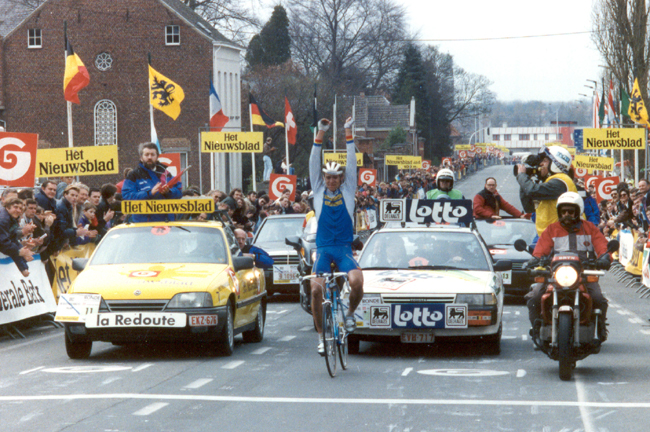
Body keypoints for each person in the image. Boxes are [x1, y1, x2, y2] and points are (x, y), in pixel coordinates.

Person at [309, 116, 364, 356]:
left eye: (335, 177)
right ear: (324, 179)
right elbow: (313, 161)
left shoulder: (348, 189)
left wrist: (348, 131)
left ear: (341, 178)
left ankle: (350, 315)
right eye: (328, 177)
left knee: (357, 282)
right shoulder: (319, 190)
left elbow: (351, 163)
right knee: (314, 290)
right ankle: (321, 336)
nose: (332, 181)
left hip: (343, 250)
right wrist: (320, 133)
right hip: (323, 250)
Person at [526, 192, 610, 341]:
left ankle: (601, 327)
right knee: (535, 297)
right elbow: (540, 250)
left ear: (578, 211)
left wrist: (605, 258)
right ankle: (537, 328)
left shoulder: (590, 228)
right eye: (563, 211)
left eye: (570, 211)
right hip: (555, 274)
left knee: (598, 298)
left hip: (583, 274)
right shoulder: (551, 229)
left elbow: (602, 246)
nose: (567, 214)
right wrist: (533, 260)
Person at [517, 146, 576, 237]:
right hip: (549, 235)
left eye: (544, 160)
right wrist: (527, 178)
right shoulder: (552, 182)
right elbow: (529, 207)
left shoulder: (561, 181)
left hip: (561, 236)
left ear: (556, 163)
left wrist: (521, 175)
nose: (540, 164)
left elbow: (532, 191)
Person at [122, 142, 183, 222]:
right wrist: (149, 193)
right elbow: (127, 195)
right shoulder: (134, 175)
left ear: (157, 157)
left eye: (152, 154)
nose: (149, 157)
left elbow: (179, 191)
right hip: (144, 225)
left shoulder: (165, 173)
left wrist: (168, 192)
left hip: (166, 223)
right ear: (141, 157)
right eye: (147, 155)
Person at [0, 197, 34, 276]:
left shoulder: (11, 219)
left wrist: (23, 266)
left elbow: (13, 240)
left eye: (20, 209)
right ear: (7, 207)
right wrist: (19, 252)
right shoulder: (3, 219)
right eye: (15, 207)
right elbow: (3, 244)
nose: (18, 210)